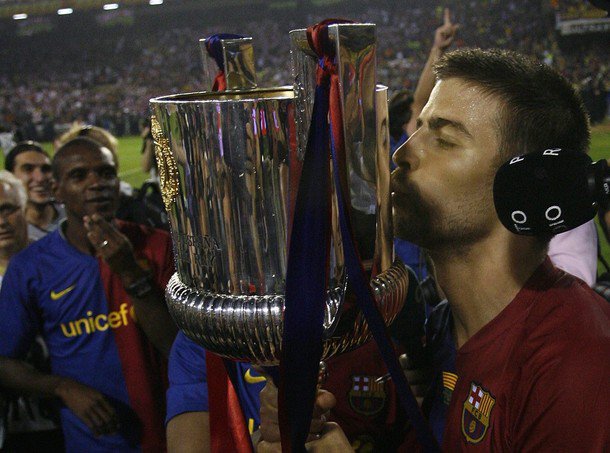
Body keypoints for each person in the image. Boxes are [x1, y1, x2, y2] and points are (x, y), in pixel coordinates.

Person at [258, 48, 610, 451]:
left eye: (444, 140)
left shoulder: (574, 360)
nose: (402, 154)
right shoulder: (442, 330)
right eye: (420, 128)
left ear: (527, 188)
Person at [0, 137, 177, 452]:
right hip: (92, 442)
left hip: (172, 432)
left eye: (106, 173)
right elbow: (4, 363)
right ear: (56, 190)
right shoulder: (31, 267)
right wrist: (62, 387)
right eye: (79, 176)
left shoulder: (158, 246)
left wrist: (130, 272)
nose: (97, 184)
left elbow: (177, 348)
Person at [389, 8, 459, 281]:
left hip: (406, 258)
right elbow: (419, 101)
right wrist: (437, 50)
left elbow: (418, 101)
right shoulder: (400, 147)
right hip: (408, 262)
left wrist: (437, 49)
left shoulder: (391, 147)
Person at [4, 141, 65, 241]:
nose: (40, 178)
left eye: (46, 169)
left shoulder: (73, 217)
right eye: (28, 169)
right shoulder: (6, 231)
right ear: (11, 177)